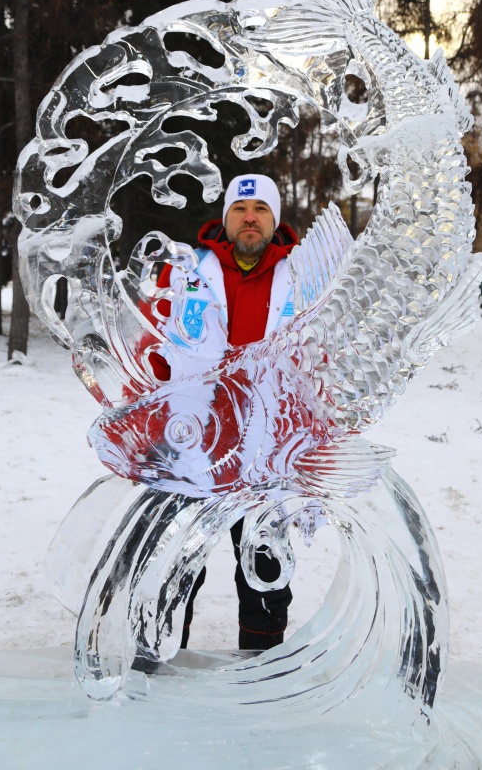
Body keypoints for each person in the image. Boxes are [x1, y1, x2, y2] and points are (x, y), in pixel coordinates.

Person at [149, 173, 298, 651]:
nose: (249, 218)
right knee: (178, 558)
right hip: (193, 440)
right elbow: (153, 345)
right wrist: (149, 420)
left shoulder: (305, 275)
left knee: (265, 565)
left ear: (275, 220)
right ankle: (160, 656)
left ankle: (260, 660)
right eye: (240, 209)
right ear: (226, 216)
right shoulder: (185, 270)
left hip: (267, 447)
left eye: (260, 211)